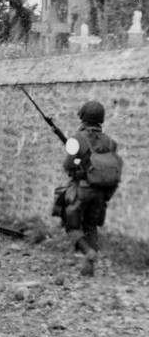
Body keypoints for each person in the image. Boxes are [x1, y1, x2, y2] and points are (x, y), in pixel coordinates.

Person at [62, 100, 122, 277]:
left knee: (71, 225)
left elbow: (67, 165)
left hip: (83, 189)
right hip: (102, 192)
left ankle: (88, 252)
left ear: (84, 118)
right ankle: (89, 267)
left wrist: (78, 162)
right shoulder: (111, 142)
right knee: (91, 225)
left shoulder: (77, 139)